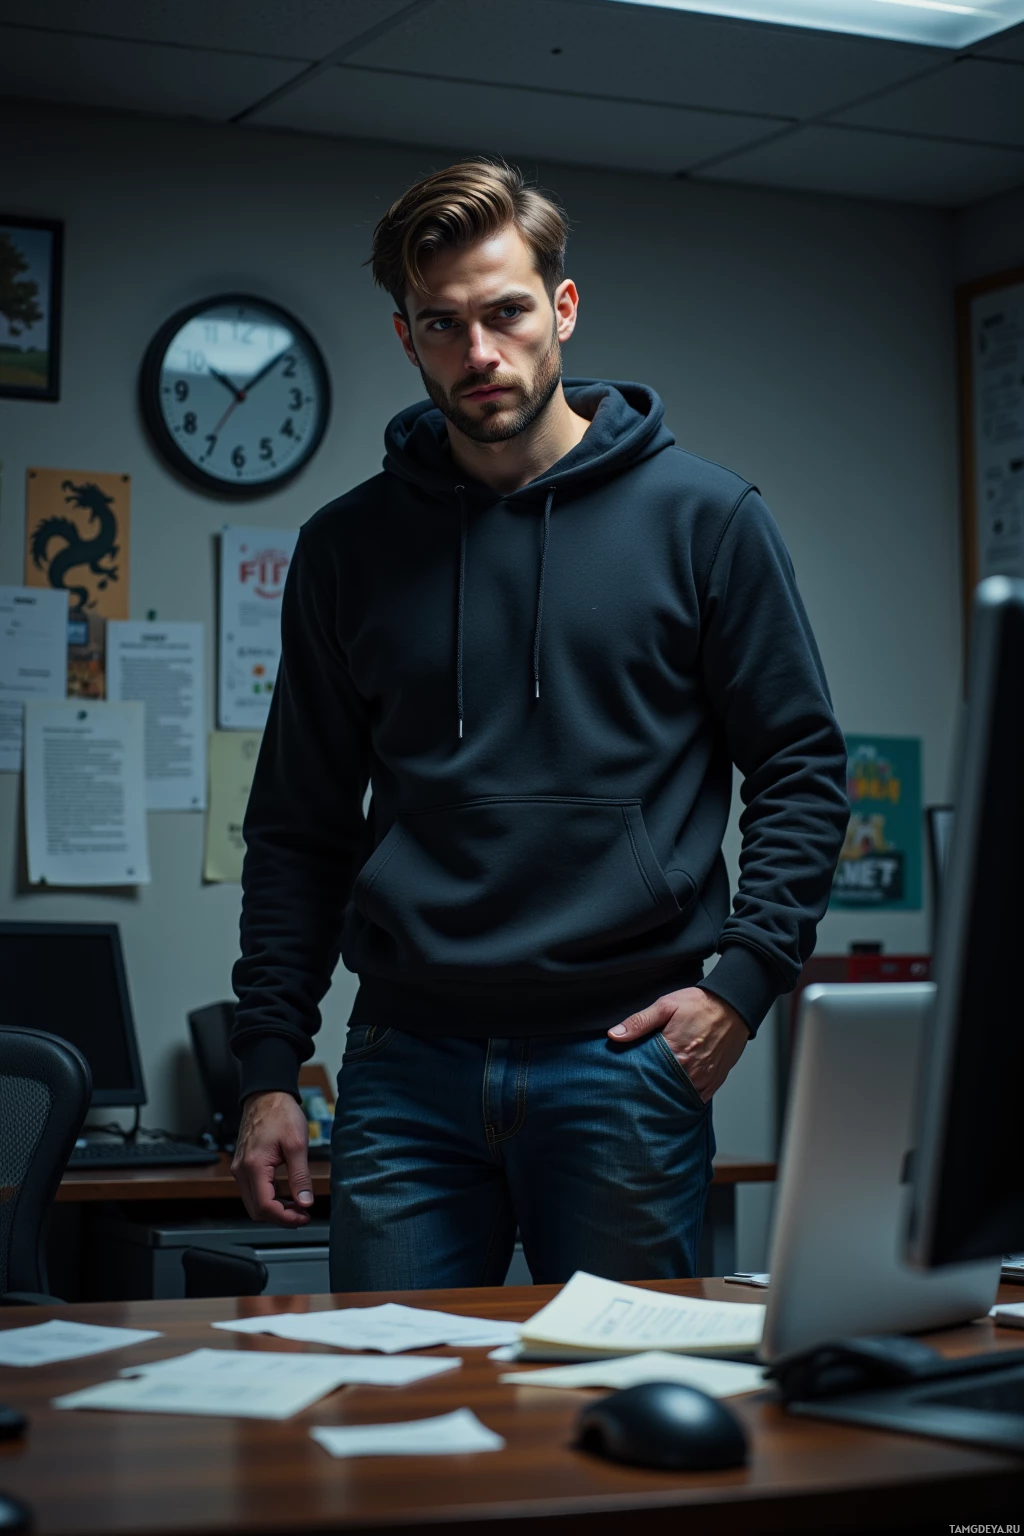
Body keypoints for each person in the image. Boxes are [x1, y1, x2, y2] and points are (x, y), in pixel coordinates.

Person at [229, 158, 848, 1289]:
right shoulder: (347, 548)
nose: (479, 354)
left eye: (505, 312)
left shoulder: (707, 520)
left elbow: (801, 767)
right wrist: (269, 1065)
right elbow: (298, 824)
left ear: (560, 308)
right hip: (404, 1066)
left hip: (620, 1061)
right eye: (443, 325)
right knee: (390, 1417)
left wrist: (741, 986)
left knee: (626, 1419)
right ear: (406, 338)